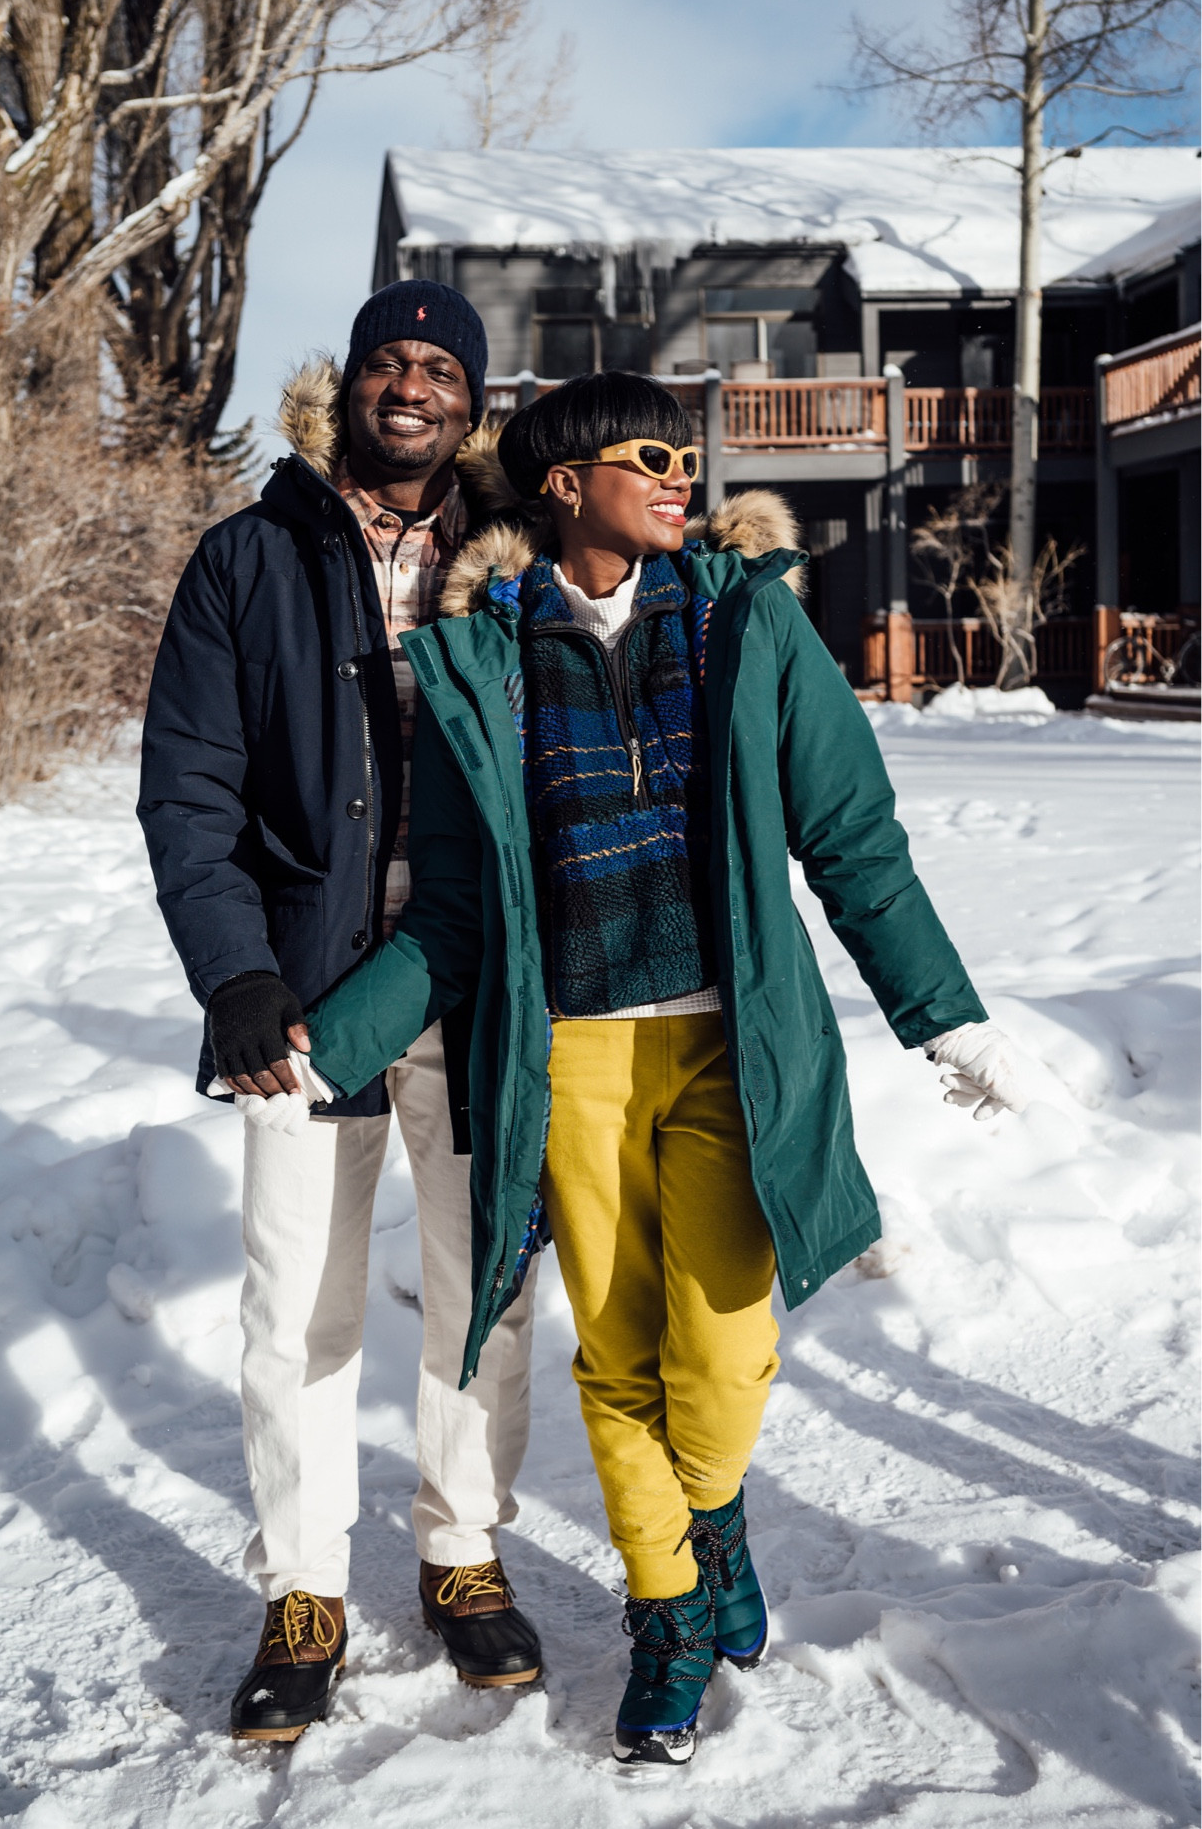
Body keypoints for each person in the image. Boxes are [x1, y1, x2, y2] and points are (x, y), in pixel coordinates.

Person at [289, 369, 1031, 1767]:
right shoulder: (483, 659)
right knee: (620, 1354)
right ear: (568, 482)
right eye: (654, 455)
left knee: (726, 1343)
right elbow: (449, 912)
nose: (683, 477)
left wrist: (946, 1016)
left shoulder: (750, 623)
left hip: (730, 1049)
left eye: (691, 458)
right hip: (569, 1060)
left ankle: (713, 1510)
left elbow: (852, 838)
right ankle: (671, 1606)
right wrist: (320, 1045)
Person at [138, 283, 546, 1749]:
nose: (414, 385)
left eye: (442, 367)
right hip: (303, 992)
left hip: (474, 981)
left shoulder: (515, 561)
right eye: (391, 360)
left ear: (471, 399)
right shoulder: (249, 556)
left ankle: (460, 1548)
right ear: (349, 385)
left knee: (480, 1289)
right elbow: (189, 782)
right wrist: (234, 971)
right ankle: (304, 1586)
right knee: (294, 1306)